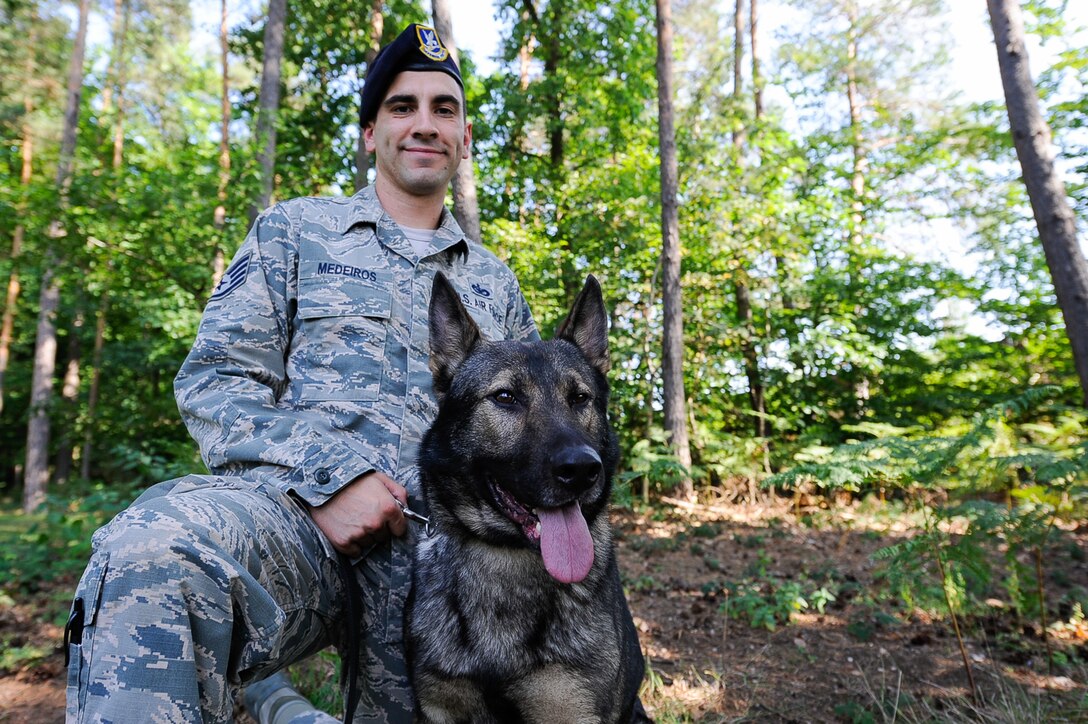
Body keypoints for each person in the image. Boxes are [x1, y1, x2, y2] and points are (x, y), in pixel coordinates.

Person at [64, 22, 537, 724]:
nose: (425, 124)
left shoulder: (496, 287)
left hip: (447, 569)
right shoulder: (294, 232)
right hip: (296, 524)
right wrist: (330, 480)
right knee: (152, 553)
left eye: (445, 109)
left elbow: (529, 446)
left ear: (465, 139)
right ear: (370, 132)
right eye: (403, 107)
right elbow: (218, 380)